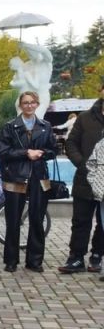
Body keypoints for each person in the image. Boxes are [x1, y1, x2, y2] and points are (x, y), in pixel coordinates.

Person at [0, 91, 56, 272]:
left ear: (37, 104)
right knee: (13, 220)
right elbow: (3, 152)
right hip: (15, 177)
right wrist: (25, 153)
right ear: (20, 105)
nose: (29, 105)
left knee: (37, 220)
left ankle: (35, 261)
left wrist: (42, 153)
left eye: (32, 103)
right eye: (25, 103)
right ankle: (11, 260)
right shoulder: (10, 126)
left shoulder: (45, 126)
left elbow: (53, 150)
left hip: (39, 177)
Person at [60, 79, 104, 274]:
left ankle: (97, 256)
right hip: (85, 178)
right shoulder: (85, 118)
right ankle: (76, 258)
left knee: (103, 223)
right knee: (80, 221)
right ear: (101, 91)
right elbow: (71, 144)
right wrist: (82, 163)